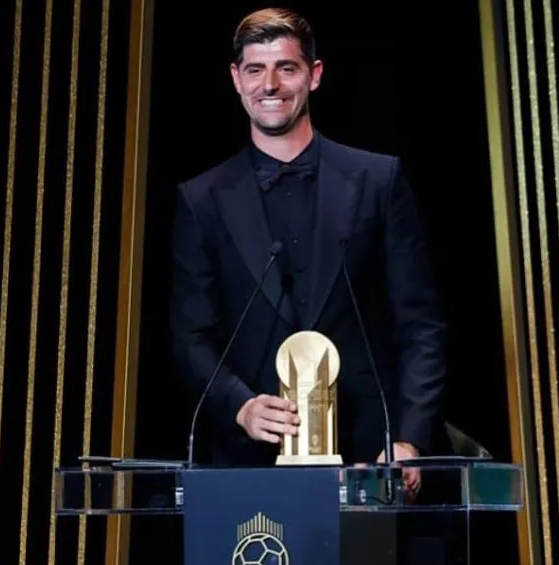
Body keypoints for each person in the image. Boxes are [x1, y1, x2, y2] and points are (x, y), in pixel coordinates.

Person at [169, 8, 447, 498]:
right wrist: (240, 406)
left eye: (287, 68)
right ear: (236, 79)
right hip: (250, 465)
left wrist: (407, 438)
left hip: (371, 458)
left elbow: (420, 324)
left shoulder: (378, 181)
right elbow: (192, 335)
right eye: (256, 69)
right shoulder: (201, 199)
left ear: (314, 76)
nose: (270, 84)